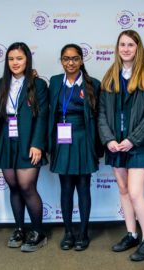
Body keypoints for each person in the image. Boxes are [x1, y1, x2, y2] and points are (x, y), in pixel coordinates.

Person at [98, 30, 144, 261]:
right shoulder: (110, 76)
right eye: (122, 44)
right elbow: (102, 113)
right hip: (115, 145)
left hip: (138, 145)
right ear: (117, 48)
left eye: (131, 45)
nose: (126, 48)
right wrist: (109, 140)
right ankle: (131, 234)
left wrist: (131, 140)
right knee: (123, 191)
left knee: (135, 193)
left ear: (138, 48)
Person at [0, 42, 48, 252]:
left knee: (27, 187)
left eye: (19, 58)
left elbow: (42, 116)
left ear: (27, 60)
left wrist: (37, 144)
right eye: (11, 59)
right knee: (14, 186)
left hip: (28, 141)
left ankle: (38, 232)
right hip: (7, 141)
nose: (15, 63)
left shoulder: (38, 85)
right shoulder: (0, 84)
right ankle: (19, 228)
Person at [48, 44, 102, 251]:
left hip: (83, 138)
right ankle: (69, 232)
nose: (70, 63)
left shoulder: (92, 84)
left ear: (81, 60)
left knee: (83, 187)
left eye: (75, 58)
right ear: (61, 61)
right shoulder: (54, 82)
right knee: (66, 188)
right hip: (62, 140)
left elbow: (99, 116)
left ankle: (83, 232)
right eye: (66, 58)